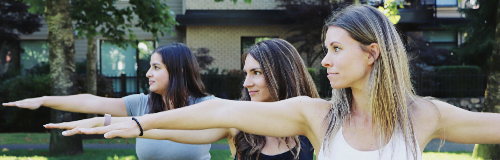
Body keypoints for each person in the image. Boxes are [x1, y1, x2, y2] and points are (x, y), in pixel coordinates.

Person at [49, 5, 500, 160]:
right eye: (325, 49)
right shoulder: (316, 115)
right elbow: (220, 110)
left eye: (337, 49)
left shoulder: (424, 116)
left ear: (373, 52)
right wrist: (142, 124)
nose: (325, 61)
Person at [43, 39, 317, 160]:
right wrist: (133, 125)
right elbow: (177, 129)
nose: (246, 82)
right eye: (246, 73)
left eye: (256, 73)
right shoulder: (237, 124)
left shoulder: (312, 121)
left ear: (281, 72)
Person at [2, 43, 217, 160]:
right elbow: (89, 102)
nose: (148, 73)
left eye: (156, 67)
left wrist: (102, 122)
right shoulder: (141, 104)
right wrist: (43, 100)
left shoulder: (207, 105)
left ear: (179, 70)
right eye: (150, 66)